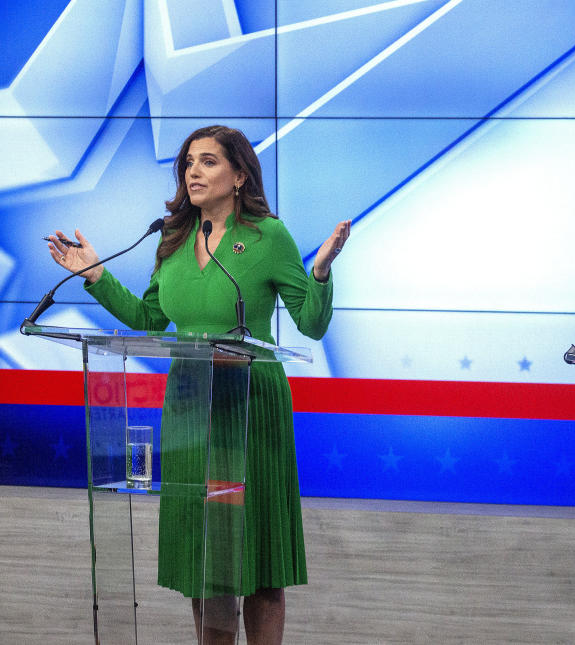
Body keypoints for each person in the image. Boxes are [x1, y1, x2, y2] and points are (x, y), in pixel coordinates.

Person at [47, 125, 350, 645]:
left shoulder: (267, 237)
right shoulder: (172, 240)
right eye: (188, 162)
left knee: (256, 555)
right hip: (191, 406)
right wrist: (94, 274)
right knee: (206, 558)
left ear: (238, 175)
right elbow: (148, 317)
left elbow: (312, 324)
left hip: (251, 407)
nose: (193, 171)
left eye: (208, 162)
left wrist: (319, 272)